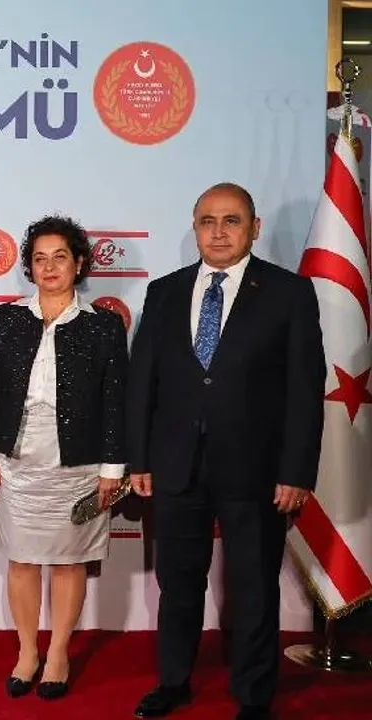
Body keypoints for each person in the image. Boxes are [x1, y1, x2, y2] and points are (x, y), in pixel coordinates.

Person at [128, 184, 324, 720]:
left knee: (254, 587)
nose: (218, 232)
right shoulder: (164, 292)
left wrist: (296, 470)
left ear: (254, 228)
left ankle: (254, 695)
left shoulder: (289, 293)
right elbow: (143, 381)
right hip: (176, 466)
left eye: (231, 221)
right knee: (177, 585)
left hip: (256, 471)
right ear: (195, 228)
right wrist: (139, 459)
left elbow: (305, 391)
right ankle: (174, 681)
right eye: (207, 221)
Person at [0, 215, 129, 701]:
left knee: (69, 562)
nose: (50, 267)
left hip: (79, 465)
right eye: (40, 258)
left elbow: (115, 400)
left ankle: (57, 652)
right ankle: (26, 651)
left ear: (79, 263)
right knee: (22, 560)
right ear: (29, 267)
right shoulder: (8, 320)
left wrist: (113, 467)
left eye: (60, 257)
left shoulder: (103, 327)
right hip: (16, 462)